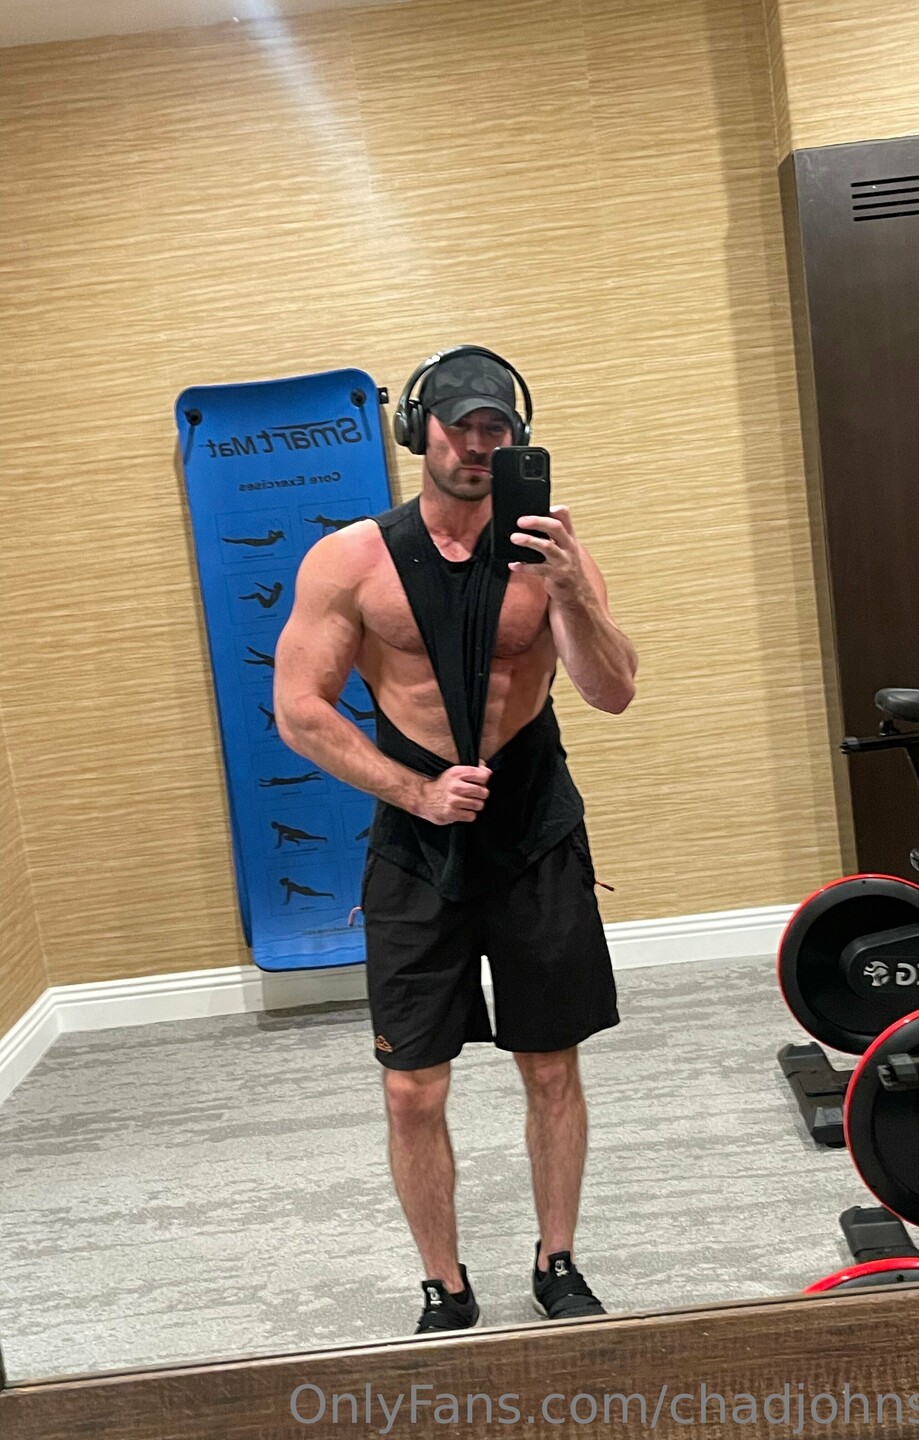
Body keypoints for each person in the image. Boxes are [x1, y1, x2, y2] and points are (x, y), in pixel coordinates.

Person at [273, 346, 638, 1335]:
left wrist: (570, 590)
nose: (478, 445)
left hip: (533, 831)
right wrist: (416, 793)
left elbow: (612, 691)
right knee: (410, 1090)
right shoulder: (351, 561)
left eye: (496, 429)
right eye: (461, 426)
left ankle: (557, 1258)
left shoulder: (551, 551)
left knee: (551, 1067)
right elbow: (299, 709)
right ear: (417, 433)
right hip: (416, 842)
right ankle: (445, 1282)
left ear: (517, 439)